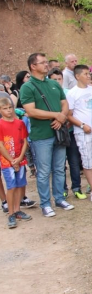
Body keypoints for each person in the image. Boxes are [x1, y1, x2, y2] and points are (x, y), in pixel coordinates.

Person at [20, 53, 75, 217]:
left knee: (59, 169)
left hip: (59, 132)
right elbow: (30, 110)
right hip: (42, 136)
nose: (46, 64)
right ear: (33, 66)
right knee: (43, 171)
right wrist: (55, 115)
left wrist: (62, 117)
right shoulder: (27, 87)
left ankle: (59, 199)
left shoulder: (54, 84)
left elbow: (64, 104)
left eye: (46, 61)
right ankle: (45, 203)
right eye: (42, 62)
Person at [48, 68, 86, 200]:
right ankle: (62, 189)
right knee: (59, 164)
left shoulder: (68, 93)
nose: (58, 81)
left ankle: (76, 188)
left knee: (74, 161)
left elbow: (72, 112)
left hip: (70, 132)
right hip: (55, 132)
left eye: (59, 79)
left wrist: (66, 122)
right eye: (54, 79)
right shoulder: (48, 94)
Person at [66, 65, 92, 202]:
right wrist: (82, 125)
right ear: (77, 76)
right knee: (87, 160)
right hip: (82, 132)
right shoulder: (72, 93)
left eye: (89, 73)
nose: (88, 76)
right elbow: (69, 115)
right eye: (85, 74)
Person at [0, 97, 32, 229]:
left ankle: (17, 209)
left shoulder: (20, 123)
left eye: (10, 108)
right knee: (11, 187)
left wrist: (19, 159)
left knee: (20, 185)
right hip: (7, 162)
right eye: (5, 108)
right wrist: (11, 160)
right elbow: (1, 145)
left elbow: (25, 141)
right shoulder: (1, 124)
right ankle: (11, 213)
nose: (8, 111)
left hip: (20, 159)